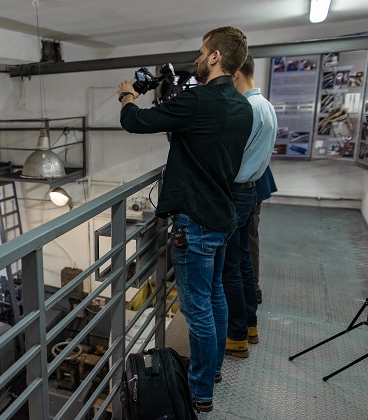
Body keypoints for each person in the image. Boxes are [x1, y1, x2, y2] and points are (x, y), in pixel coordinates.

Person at [118, 26, 252, 412]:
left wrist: (127, 96)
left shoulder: (198, 102)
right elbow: (201, 141)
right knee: (215, 297)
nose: (196, 57)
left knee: (197, 312)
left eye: (201, 51)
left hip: (195, 223)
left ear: (214, 57)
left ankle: (201, 391)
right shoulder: (242, 106)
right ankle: (212, 372)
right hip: (222, 215)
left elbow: (136, 121)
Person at [222, 53, 277, 358]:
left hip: (234, 193)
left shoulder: (246, 108)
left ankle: (236, 337)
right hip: (250, 191)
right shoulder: (265, 106)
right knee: (242, 263)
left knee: (229, 268)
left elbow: (230, 153)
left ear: (235, 75)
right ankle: (250, 326)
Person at [250, 165, 278, 305]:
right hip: (255, 184)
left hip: (251, 186)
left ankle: (252, 289)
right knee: (250, 239)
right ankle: (252, 289)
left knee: (249, 240)